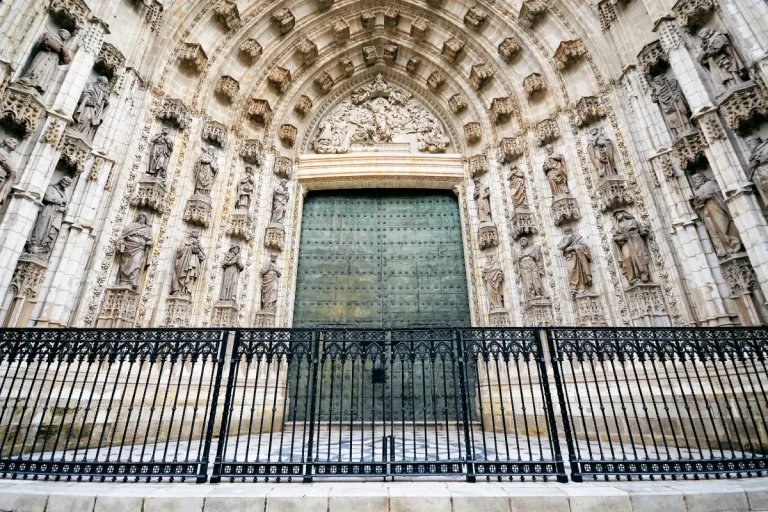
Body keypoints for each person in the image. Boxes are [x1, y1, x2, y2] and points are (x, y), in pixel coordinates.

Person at [25, 177, 72, 258]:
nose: (66, 184)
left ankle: (42, 249)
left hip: (56, 215)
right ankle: (33, 247)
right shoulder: (51, 188)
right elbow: (47, 197)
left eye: (68, 183)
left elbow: (65, 205)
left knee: (51, 231)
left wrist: (64, 209)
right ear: (61, 181)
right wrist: (61, 201)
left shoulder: (63, 193)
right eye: (66, 182)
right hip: (48, 212)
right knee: (41, 229)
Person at [15, 29, 72, 95]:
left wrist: (63, 50)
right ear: (60, 32)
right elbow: (47, 41)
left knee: (46, 73)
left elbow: (67, 60)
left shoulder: (64, 46)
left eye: (68, 36)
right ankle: (30, 79)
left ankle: (39, 86)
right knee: (37, 67)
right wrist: (60, 49)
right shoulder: (50, 35)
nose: (66, 35)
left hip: (53, 60)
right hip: (45, 54)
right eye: (65, 33)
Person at [115, 213, 153, 288]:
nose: (141, 217)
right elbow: (122, 236)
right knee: (126, 263)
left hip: (140, 248)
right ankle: (124, 281)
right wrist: (120, 242)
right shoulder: (132, 226)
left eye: (143, 216)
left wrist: (148, 243)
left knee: (136, 261)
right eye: (140, 215)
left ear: (146, 219)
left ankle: (133, 280)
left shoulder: (148, 229)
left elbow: (150, 240)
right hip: (129, 247)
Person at [72, 76, 110, 141]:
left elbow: (104, 102)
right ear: (98, 81)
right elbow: (84, 93)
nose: (102, 85)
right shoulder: (90, 85)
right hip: (89, 105)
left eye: (104, 84)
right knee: (86, 117)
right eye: (102, 83)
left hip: (96, 109)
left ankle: (84, 133)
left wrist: (106, 101)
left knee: (90, 121)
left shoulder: (104, 92)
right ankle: (76, 128)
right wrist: (89, 100)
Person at [170, 230, 207, 296]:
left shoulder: (199, 243)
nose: (195, 234)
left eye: (197, 233)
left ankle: (187, 291)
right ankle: (178, 290)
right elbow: (179, 250)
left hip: (194, 261)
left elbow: (202, 255)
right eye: (194, 232)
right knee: (182, 273)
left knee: (191, 275)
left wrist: (198, 251)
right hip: (185, 261)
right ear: (191, 233)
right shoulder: (186, 241)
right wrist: (189, 247)